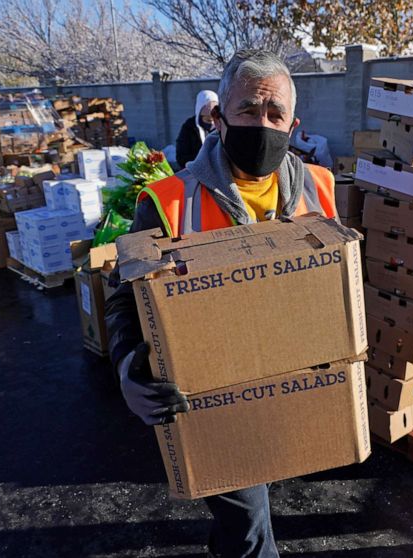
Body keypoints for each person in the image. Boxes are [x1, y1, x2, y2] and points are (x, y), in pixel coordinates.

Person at [105, 49, 337, 558]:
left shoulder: (320, 187)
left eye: (275, 115)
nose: (263, 124)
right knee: (253, 529)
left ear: (294, 124)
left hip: (287, 382)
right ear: (218, 117)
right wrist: (127, 366)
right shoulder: (166, 200)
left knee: (244, 519)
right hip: (210, 393)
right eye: (249, 111)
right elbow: (125, 297)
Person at [175, 90, 218, 168]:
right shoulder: (189, 128)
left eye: (214, 120)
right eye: (208, 120)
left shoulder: (221, 127)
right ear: (199, 116)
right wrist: (203, 160)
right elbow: (181, 158)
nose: (212, 123)